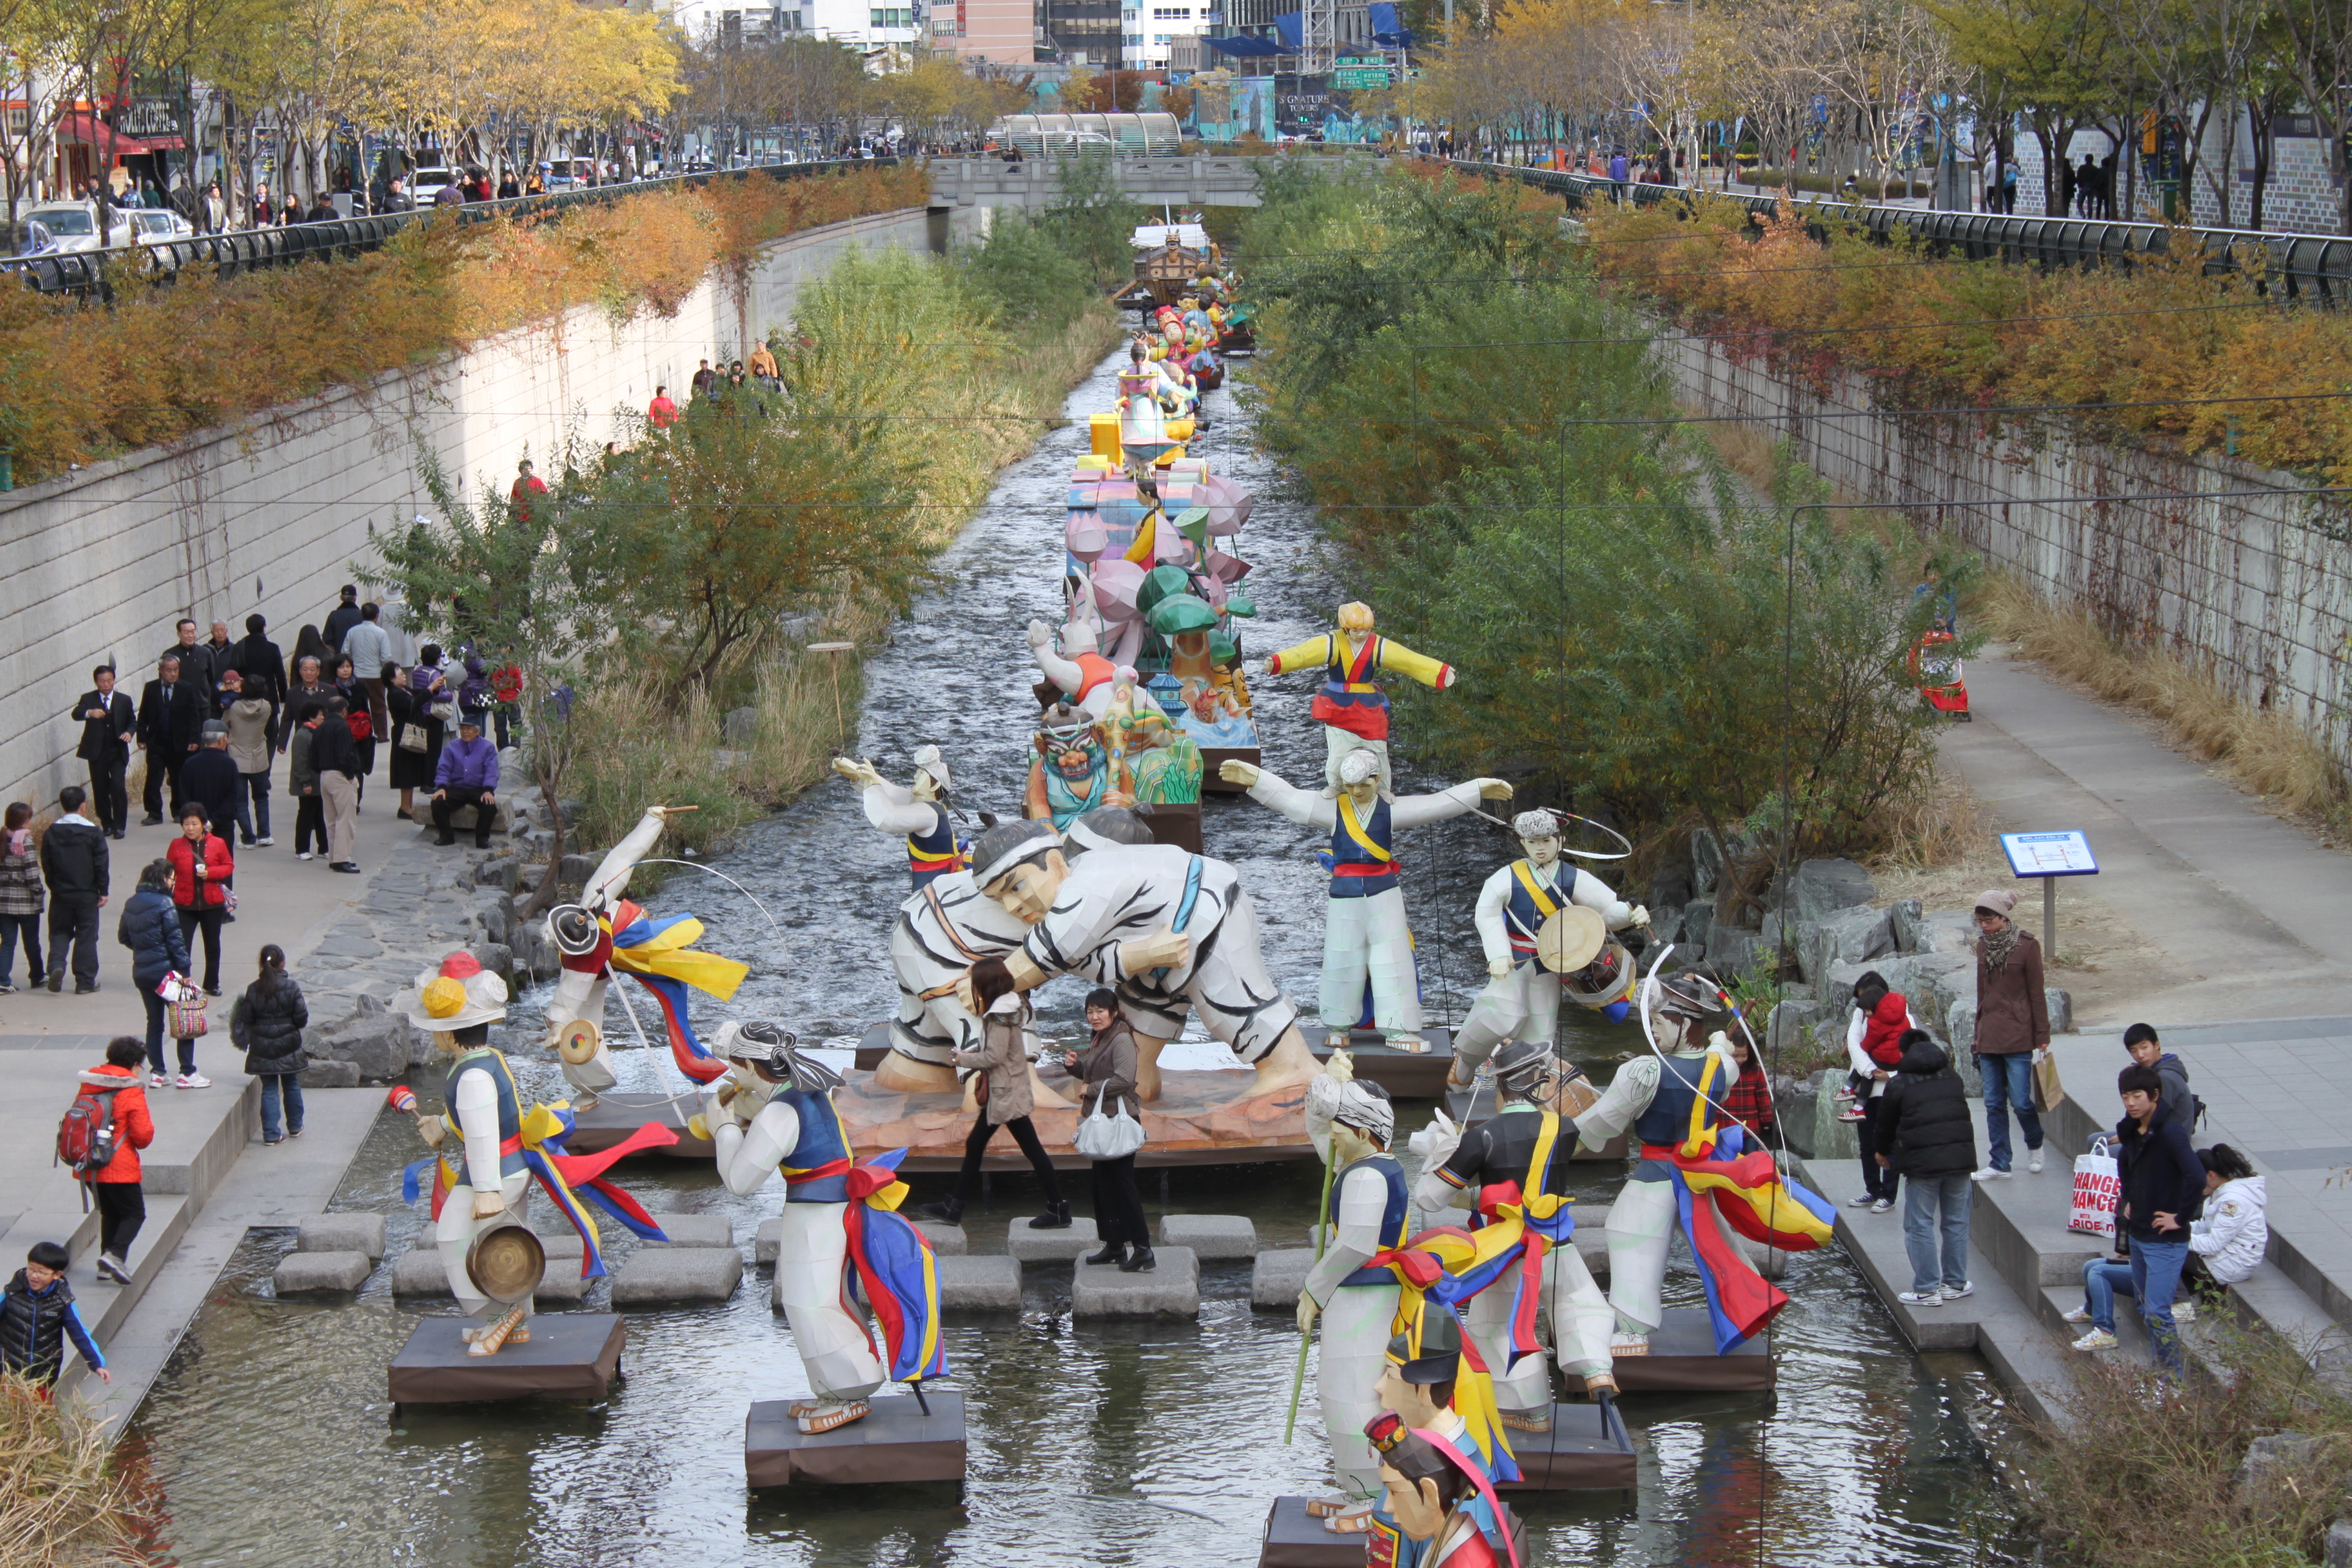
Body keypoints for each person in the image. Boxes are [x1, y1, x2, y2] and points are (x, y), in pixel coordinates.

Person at [1414, 1038, 1618, 1421]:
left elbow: (1429, 1199)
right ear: (1539, 1081)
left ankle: (1530, 1410)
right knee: (1578, 1302)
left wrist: (1439, 1156)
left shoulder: (1482, 1136)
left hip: (1506, 1251)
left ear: (1500, 1084)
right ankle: (1596, 1366)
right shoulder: (1564, 1128)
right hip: (1557, 1245)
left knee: (1496, 1327)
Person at [913, 956, 1069, 1228]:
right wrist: (973, 1051)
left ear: (986, 985)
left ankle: (1056, 1208)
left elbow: (994, 1057)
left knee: (1015, 1149)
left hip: (1005, 1094)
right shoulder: (1008, 1009)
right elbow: (1001, 1050)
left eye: (975, 983)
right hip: (1007, 1091)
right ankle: (955, 1206)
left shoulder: (999, 1017)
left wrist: (963, 1059)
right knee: (995, 1146)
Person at [1874, 1028, 1977, 1307]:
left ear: (1903, 1053)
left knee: (1919, 1224)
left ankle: (1927, 1289)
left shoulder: (1900, 1083)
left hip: (1923, 1165)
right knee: (1956, 1223)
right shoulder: (1953, 1077)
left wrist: (1881, 1152)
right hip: (1960, 1159)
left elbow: (1885, 1123)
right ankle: (1955, 1283)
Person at [2110, 1062, 2202, 1374]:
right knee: (2145, 1306)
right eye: (2126, 1096)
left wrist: (2181, 1217)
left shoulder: (2171, 1133)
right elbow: (2125, 1164)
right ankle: (2159, 1370)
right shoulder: (2132, 1131)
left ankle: (2171, 1378)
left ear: (2155, 1095)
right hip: (2139, 1234)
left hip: (2165, 1240)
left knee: (2159, 1311)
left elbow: (2196, 1176)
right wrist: (2129, 1199)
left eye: (2137, 1096)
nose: (2131, 1103)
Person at [1062, 989, 1152, 1272]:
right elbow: (1095, 1072)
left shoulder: (1122, 1039)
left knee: (1123, 1187)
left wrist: (1091, 1089)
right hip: (1102, 1120)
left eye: (1100, 1011)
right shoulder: (1100, 1037)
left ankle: (1143, 1249)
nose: (1094, 1016)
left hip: (1117, 1121)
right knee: (1103, 1188)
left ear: (1113, 1012)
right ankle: (1115, 1245)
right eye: (1090, 1011)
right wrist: (1076, 1067)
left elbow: (1123, 1080)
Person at [1969, 889, 2049, 1181]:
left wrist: (2042, 1033)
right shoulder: (1982, 946)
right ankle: (2000, 1162)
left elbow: (2036, 993)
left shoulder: (2027, 946)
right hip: (1989, 1034)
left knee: (2021, 1101)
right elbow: (1982, 994)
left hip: (2017, 1033)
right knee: (1993, 1103)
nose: (1984, 926)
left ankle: (2035, 1142)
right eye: (1980, 921)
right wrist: (1977, 1034)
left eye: (1988, 920)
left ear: (2003, 918)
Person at [120, 860, 205, 1087]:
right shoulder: (165, 903)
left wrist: (144, 949)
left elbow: (124, 936)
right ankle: (187, 1073)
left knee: (154, 1023)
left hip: (142, 971)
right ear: (164, 879)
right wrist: (185, 971)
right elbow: (176, 940)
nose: (172, 883)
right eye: (171, 878)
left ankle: (158, 1072)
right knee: (184, 1018)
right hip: (167, 974)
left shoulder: (131, 902)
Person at [834, 749, 966, 890]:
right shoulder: (922, 802)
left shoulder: (929, 813)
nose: (915, 776)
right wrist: (856, 773)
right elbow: (890, 792)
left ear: (935, 785)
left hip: (935, 884)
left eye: (921, 774)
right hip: (935, 880)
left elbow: (889, 819)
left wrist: (872, 783)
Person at [1843, 970, 1917, 1211]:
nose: (1864, 1003)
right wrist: (1869, 1070)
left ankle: (1888, 1194)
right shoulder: (1860, 1014)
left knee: (1890, 1143)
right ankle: (1872, 1190)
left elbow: (1911, 1052)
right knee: (1867, 1144)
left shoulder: (1903, 1014)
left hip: (1890, 1090)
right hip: (1866, 1088)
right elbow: (1855, 1044)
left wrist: (1891, 1075)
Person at [0, 1241, 109, 1389]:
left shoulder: (62, 1301)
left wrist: (97, 1364)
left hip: (42, 1376)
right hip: (7, 1373)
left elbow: (80, 1334)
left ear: (57, 1275)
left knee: (38, 1403)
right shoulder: (13, 1293)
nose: (34, 1276)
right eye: (31, 1269)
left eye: (42, 1272)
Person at [231, 945, 308, 1143]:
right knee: (291, 1084)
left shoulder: (253, 989)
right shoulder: (292, 987)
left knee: (269, 1088)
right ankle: (295, 1125)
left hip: (262, 1046)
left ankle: (271, 1134)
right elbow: (301, 1018)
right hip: (288, 1044)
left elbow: (247, 1018)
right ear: (282, 963)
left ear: (261, 964)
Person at [39, 786, 108, 994]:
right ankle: (85, 982)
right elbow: (101, 864)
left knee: (59, 932)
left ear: (62, 805)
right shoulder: (94, 833)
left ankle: (56, 966)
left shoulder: (51, 832)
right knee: (86, 935)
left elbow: (47, 864)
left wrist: (55, 886)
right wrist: (103, 890)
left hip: (61, 893)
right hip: (87, 893)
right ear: (83, 806)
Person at [167, 805, 232, 996]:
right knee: (182, 946)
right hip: (184, 904)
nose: (190, 828)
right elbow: (169, 869)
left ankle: (212, 983)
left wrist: (210, 873)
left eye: (195, 824)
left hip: (211, 903)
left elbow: (228, 866)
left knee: (212, 945)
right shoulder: (176, 845)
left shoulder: (218, 843)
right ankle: (182, 982)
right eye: (186, 824)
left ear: (204, 824)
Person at [137, 655, 206, 823]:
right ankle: (154, 813)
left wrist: (194, 739)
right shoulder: (151, 688)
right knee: (154, 777)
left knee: (178, 778)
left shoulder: (186, 688)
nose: (173, 674)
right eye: (169, 670)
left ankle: (178, 811)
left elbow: (193, 716)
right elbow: (144, 714)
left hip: (179, 741)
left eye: (176, 670)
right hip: (156, 741)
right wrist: (141, 737)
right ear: (161, 671)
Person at [69, 666, 135, 838]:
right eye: (102, 681)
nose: (106, 685)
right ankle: (107, 823)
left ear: (114, 680)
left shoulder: (124, 700)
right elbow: (76, 714)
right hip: (97, 752)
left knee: (118, 787)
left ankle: (120, 826)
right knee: (100, 788)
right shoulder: (88, 698)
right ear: (96, 682)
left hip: (117, 750)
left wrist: (129, 733)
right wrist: (89, 713)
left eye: (109, 681)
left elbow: (132, 721)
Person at [431, 716, 500, 848]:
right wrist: (442, 787)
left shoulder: (488, 747)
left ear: (477, 731)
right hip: (457, 787)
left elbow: (491, 771)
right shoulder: (452, 747)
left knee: (489, 806)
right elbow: (443, 768)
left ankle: (482, 839)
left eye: (469, 729)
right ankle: (446, 836)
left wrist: (489, 790)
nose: (465, 732)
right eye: (463, 728)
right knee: (437, 802)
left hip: (478, 788)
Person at [312, 698, 363, 872]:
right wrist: (350, 775)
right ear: (344, 710)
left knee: (332, 820)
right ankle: (342, 859)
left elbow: (313, 757)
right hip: (340, 776)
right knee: (346, 819)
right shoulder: (342, 727)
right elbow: (345, 754)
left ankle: (334, 858)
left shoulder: (321, 728)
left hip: (324, 775)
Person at [224, 673, 275, 847]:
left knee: (240, 802)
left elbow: (224, 723)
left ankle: (248, 838)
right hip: (258, 756)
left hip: (237, 757)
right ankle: (264, 834)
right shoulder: (266, 707)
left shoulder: (233, 707)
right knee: (261, 797)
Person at [177, 723, 242, 849]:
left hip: (196, 827)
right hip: (223, 826)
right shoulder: (229, 764)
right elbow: (232, 797)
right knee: (223, 859)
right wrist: (213, 821)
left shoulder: (190, 764)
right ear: (221, 740)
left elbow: (184, 795)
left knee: (197, 858)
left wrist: (195, 819)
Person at [0, 804, 42, 994]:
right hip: (26, 903)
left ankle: (2, 980)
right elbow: (32, 875)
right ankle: (37, 976)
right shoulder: (25, 843)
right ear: (24, 822)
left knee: (8, 941)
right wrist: (39, 893)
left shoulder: (2, 839)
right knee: (31, 941)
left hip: (3, 902)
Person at [2123, 1022, 2195, 1129]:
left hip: (2170, 1135)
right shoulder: (2150, 1071)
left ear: (2157, 1045)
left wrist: (2126, 1135)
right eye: (2134, 1051)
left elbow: (2156, 1116)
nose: (2140, 1055)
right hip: (2157, 1131)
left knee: (2102, 1139)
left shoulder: (2165, 1077)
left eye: (2144, 1047)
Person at [341, 602, 393, 736]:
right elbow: (386, 657)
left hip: (357, 674)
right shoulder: (381, 633)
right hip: (376, 675)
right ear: (377, 616)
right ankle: (381, 734)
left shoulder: (352, 631)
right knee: (379, 706)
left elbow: (345, 652)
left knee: (358, 705)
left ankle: (359, 732)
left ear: (362, 615)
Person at [287, 703, 327, 860]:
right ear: (311, 717)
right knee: (306, 816)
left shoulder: (317, 732)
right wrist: (305, 782)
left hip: (318, 782)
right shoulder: (302, 735)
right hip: (308, 784)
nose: (323, 717)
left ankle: (324, 848)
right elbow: (300, 761)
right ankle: (302, 849)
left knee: (319, 816)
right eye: (320, 714)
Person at [231, 612, 287, 715]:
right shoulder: (272, 648)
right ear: (264, 628)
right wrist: (283, 697)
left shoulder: (239, 647)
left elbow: (233, 673)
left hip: (246, 701)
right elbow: (280, 675)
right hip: (269, 699)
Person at [280, 652, 335, 751]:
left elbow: (336, 716)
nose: (308, 673)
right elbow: (287, 719)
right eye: (305, 670)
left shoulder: (330, 691)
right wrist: (282, 744)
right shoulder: (292, 693)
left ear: (318, 671)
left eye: (312, 670)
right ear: (300, 671)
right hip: (302, 740)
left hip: (326, 740)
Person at [323, 585, 363, 652]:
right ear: (355, 598)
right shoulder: (362, 615)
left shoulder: (334, 616)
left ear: (341, 598)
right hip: (359, 655)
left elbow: (327, 640)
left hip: (340, 656)